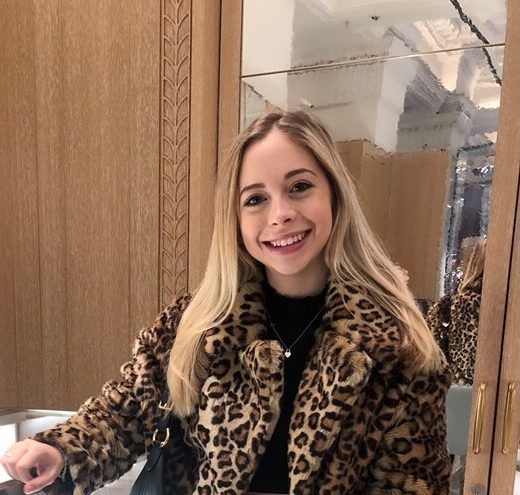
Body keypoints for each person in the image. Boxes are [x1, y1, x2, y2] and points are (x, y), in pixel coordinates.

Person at [1, 110, 451, 495]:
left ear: (334, 194)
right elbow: (125, 413)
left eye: (299, 187)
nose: (280, 214)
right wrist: (60, 448)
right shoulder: (195, 323)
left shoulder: (396, 344)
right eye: (255, 199)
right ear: (235, 218)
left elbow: (413, 483)